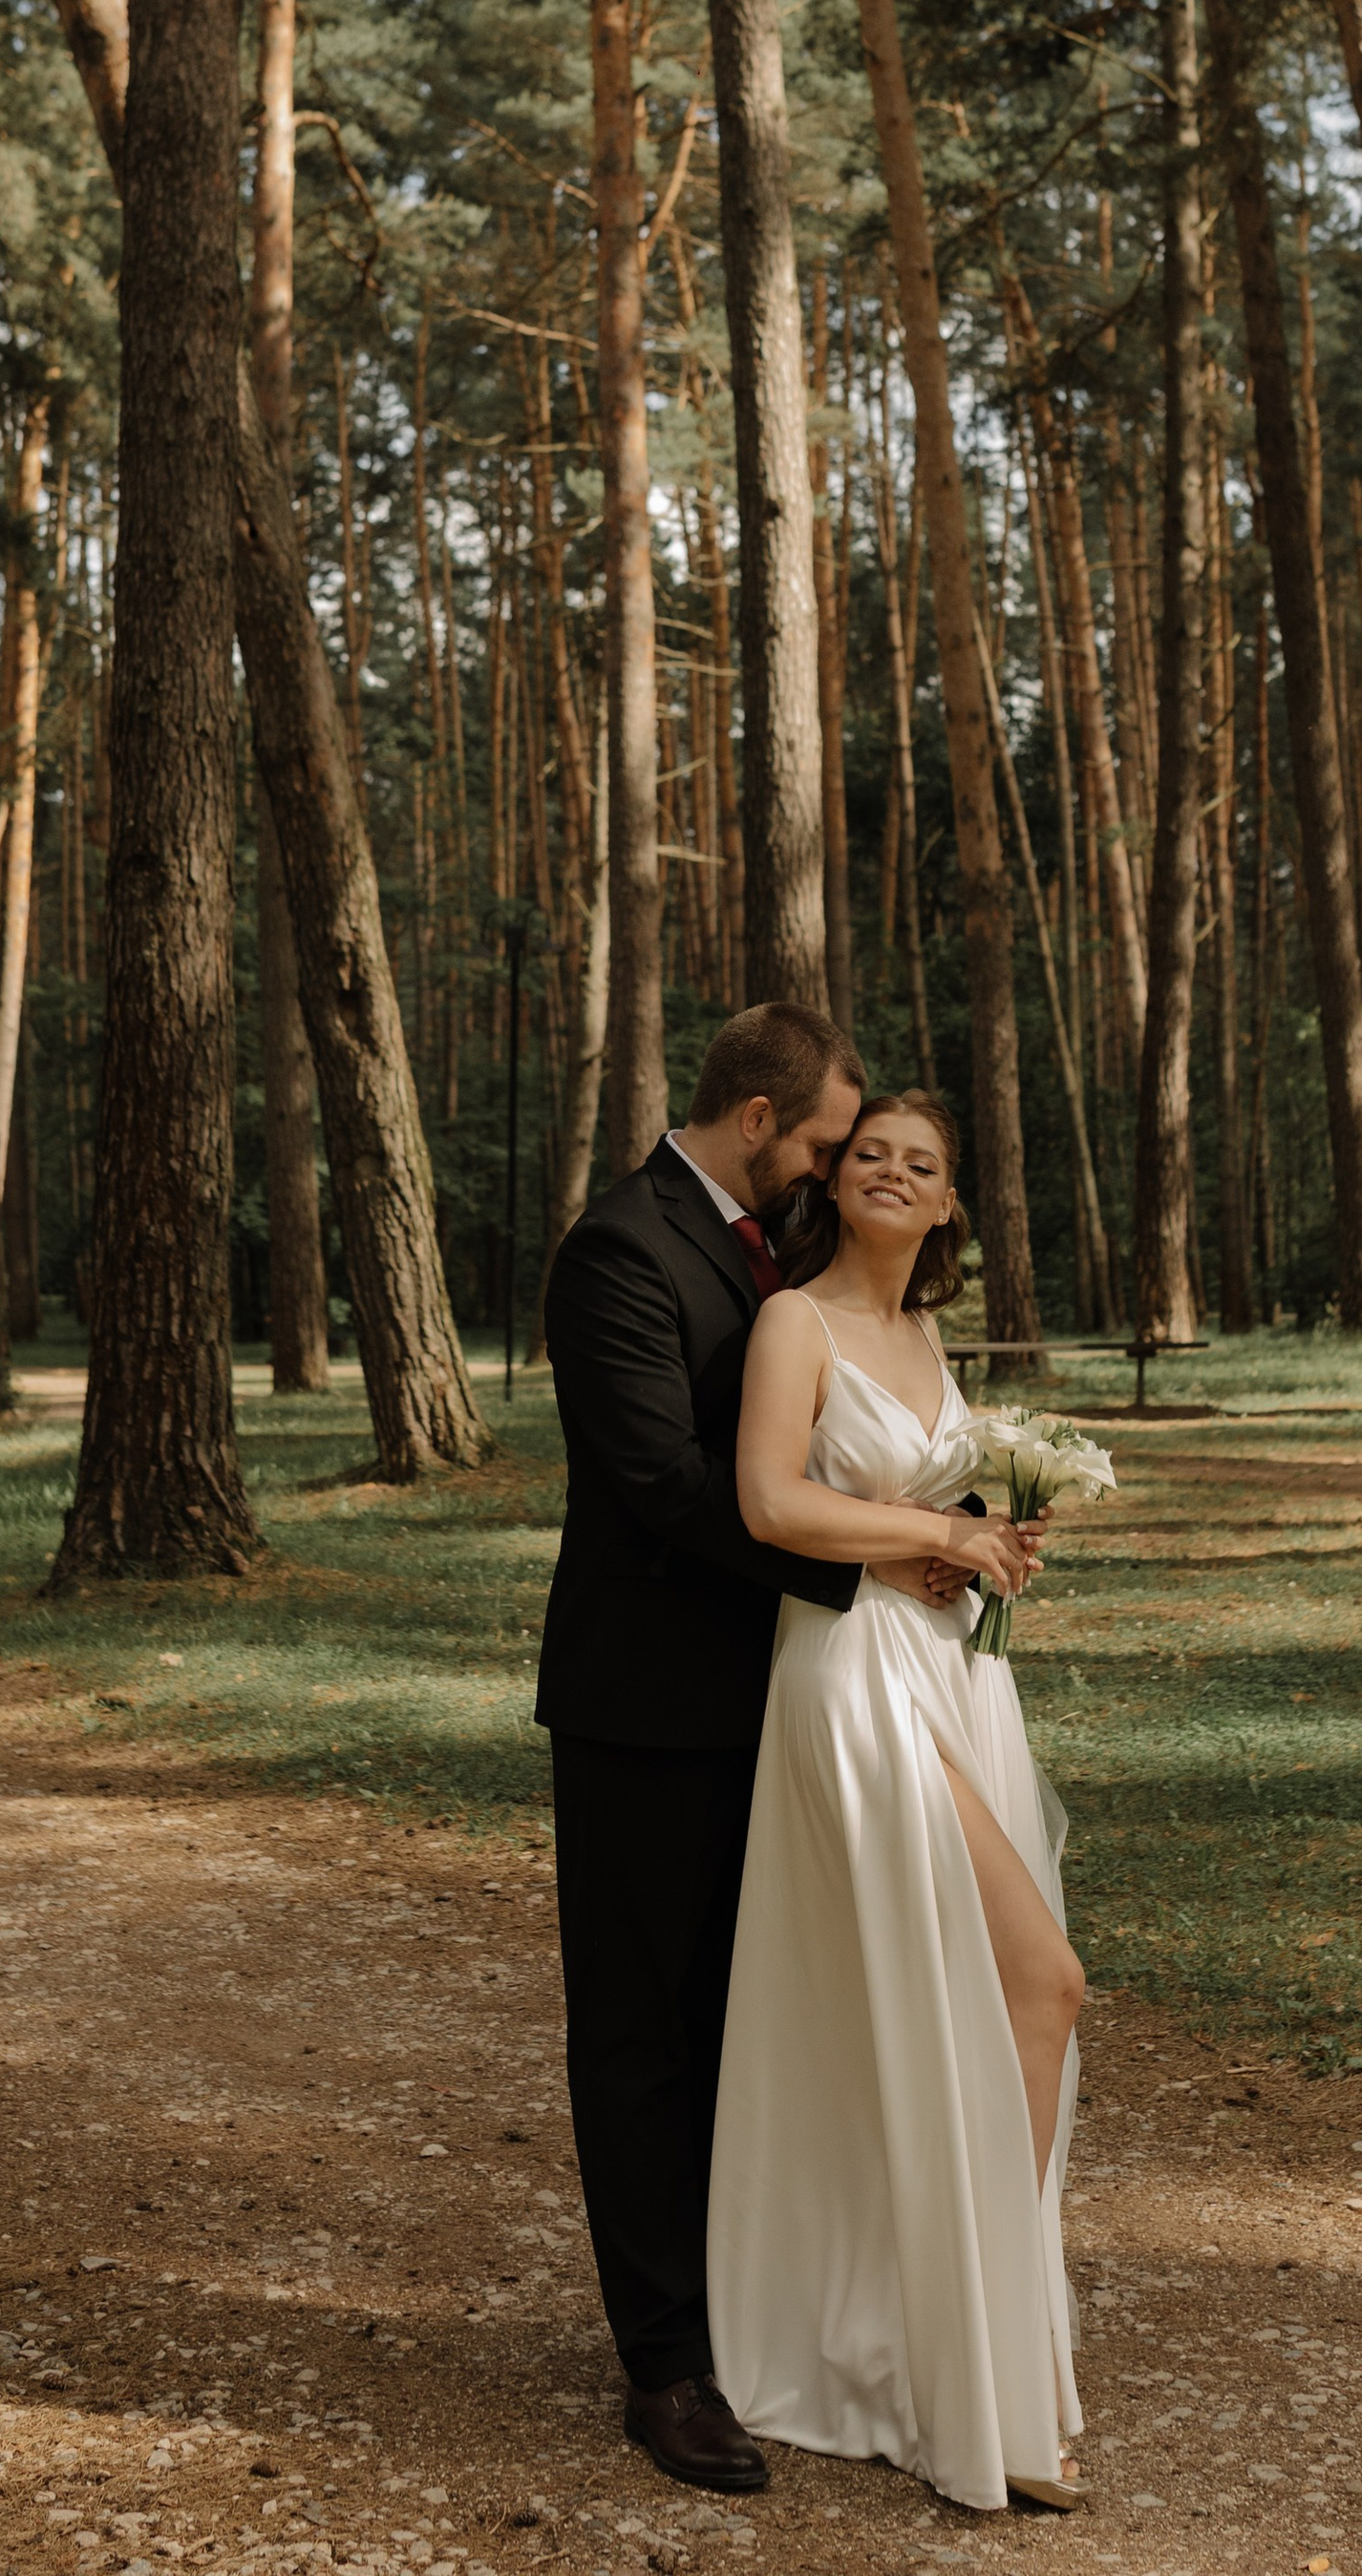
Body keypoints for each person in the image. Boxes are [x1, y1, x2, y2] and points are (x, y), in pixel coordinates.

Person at [537, 1003, 990, 2498]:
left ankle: (765, 2312)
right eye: (817, 1139)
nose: (829, 1163)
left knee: (765, 2017)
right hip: (649, 1710)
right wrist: (878, 1559)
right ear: (755, 1122)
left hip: (799, 1700)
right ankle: (666, 2363)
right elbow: (673, 1487)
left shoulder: (774, 1252)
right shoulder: (617, 1250)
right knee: (644, 2031)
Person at [707, 1090, 1083, 2515]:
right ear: (837, 1176)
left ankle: (971, 2359)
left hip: (953, 1677)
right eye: (870, 1151)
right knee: (1038, 1986)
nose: (890, 1170)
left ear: (943, 1211)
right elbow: (769, 1504)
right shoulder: (793, 1323)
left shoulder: (927, 1338)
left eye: (921, 1164)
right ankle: (970, 2375)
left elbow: (931, 1513)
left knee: (974, 2005)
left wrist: (995, 1549)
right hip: (853, 1684)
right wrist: (936, 1533)